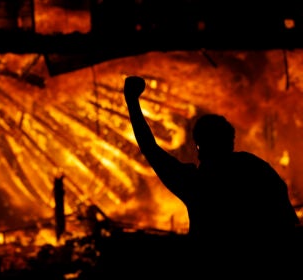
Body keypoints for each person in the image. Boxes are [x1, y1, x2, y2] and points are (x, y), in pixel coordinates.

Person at [123, 75, 300, 277]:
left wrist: (132, 102)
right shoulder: (257, 169)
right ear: (231, 142)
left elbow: (150, 149)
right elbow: (288, 226)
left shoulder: (196, 184)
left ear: (198, 146)